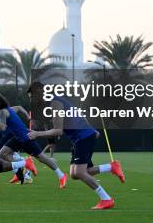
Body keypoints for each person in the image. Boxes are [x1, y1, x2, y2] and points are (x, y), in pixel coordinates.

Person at [26, 82, 125, 210]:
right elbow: (76, 113)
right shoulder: (54, 101)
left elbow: (58, 131)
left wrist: (37, 134)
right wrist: (91, 128)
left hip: (82, 137)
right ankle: (111, 167)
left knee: (79, 172)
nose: (31, 100)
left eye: (31, 96)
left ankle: (106, 199)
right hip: (81, 137)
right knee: (75, 174)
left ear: (39, 91)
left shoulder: (55, 102)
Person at [0, 93, 68, 188]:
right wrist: (26, 114)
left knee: (42, 158)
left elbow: (3, 128)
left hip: (25, 138)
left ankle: (62, 176)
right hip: (18, 137)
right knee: (3, 153)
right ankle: (19, 174)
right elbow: (18, 107)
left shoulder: (1, 112)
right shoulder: (9, 109)